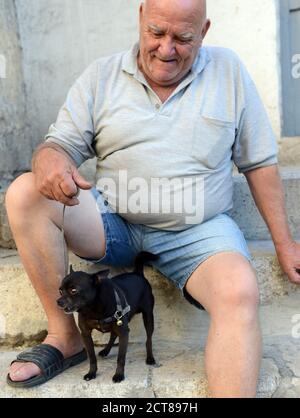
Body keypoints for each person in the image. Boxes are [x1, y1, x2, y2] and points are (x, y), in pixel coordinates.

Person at [5, 0, 300, 398]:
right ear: (141, 16)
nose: (166, 49)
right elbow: (58, 144)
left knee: (239, 291)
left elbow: (260, 163)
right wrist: (49, 160)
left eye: (182, 38)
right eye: (157, 33)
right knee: (25, 192)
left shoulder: (228, 71)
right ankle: (65, 337)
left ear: (205, 30)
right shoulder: (101, 76)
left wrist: (283, 243)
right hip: (113, 222)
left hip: (200, 230)